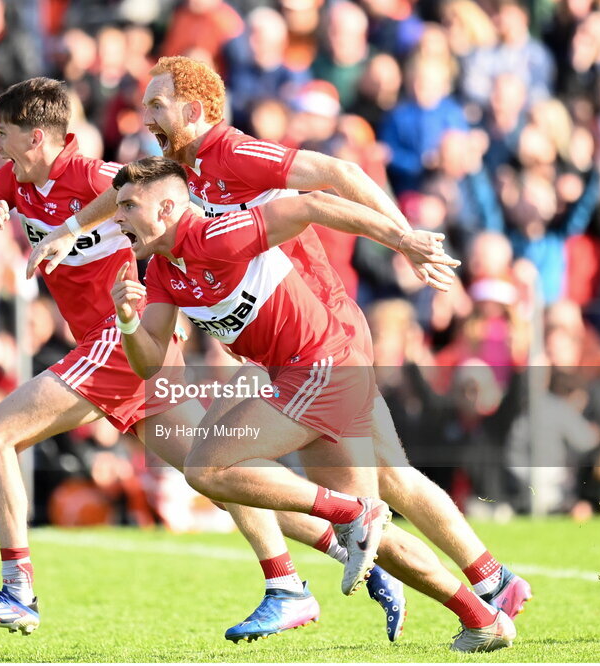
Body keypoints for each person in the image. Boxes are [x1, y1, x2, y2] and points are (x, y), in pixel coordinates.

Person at [0, 77, 454, 641]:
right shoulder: (10, 181)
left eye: (1, 133)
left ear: (36, 137)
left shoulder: (87, 174)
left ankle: (17, 592)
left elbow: (145, 193)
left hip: (121, 336)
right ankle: (315, 571)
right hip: (130, 346)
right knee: (222, 479)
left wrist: (72, 229)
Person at [29, 55, 532, 641]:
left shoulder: (229, 156)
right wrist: (71, 232)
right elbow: (128, 192)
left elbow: (331, 179)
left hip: (326, 335)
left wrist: (406, 237)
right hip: (289, 354)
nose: (144, 116)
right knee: (384, 483)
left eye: (156, 105)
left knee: (289, 483)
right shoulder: (172, 189)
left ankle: (311, 574)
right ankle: (488, 590)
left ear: (195, 110)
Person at [107, 156, 515, 652]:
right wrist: (127, 319)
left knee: (205, 468)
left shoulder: (218, 234)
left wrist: (403, 240)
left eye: (129, 205)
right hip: (296, 374)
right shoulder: (164, 272)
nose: (118, 217)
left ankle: (338, 529)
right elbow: (150, 365)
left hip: (323, 366)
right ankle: (482, 618)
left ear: (169, 207)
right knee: (373, 539)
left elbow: (314, 203)